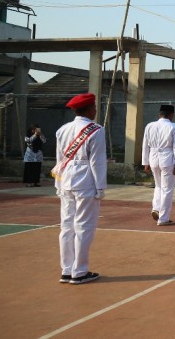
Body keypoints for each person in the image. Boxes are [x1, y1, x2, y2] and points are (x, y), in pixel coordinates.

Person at [53, 93, 106, 284]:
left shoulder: (63, 130)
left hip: (66, 180)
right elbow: (97, 162)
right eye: (94, 106)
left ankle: (66, 270)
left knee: (66, 227)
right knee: (84, 226)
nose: (96, 110)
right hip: (86, 182)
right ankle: (80, 271)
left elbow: (60, 160)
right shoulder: (96, 130)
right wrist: (100, 187)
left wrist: (58, 183)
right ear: (89, 109)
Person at [142, 104, 175, 226]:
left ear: (159, 114)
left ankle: (156, 208)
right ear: (171, 115)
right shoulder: (174, 127)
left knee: (159, 186)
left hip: (153, 157)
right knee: (167, 189)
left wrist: (145, 162)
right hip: (167, 159)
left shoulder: (149, 126)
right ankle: (163, 217)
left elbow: (145, 145)